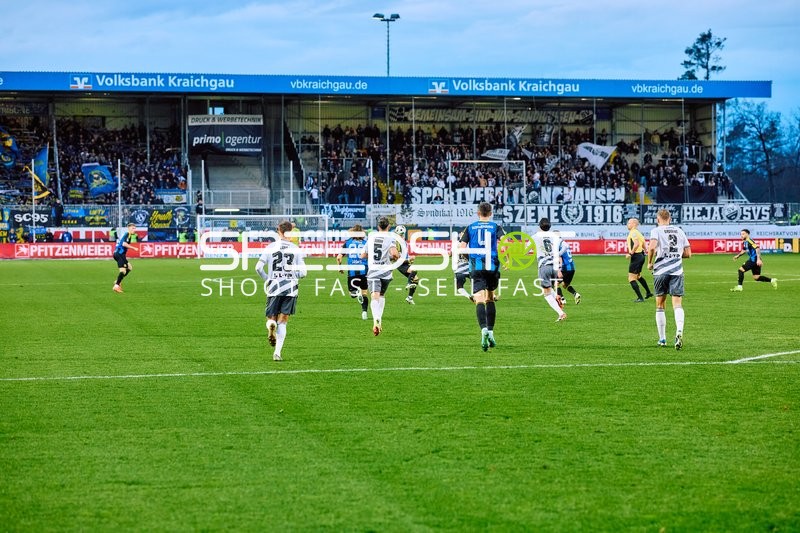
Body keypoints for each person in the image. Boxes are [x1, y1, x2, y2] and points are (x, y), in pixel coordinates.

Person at [256, 220, 307, 361]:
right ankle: (277, 353)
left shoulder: (271, 247)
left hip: (274, 287)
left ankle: (271, 325)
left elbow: (258, 268)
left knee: (271, 318)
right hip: (290, 289)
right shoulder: (295, 249)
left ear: (279, 231)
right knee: (283, 321)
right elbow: (303, 273)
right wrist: (293, 276)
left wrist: (268, 279)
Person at [459, 201, 505, 351]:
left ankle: (483, 329)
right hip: (492, 265)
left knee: (479, 298)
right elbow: (504, 244)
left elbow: (462, 248)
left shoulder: (470, 227)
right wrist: (507, 259)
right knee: (490, 297)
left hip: (476, 265)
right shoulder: (496, 227)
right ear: (491, 213)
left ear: (478, 213)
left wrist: (469, 259)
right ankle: (491, 332)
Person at [647, 208, 691, 349]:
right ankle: (679, 331)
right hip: (677, 271)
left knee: (660, 304)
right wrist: (676, 256)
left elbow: (652, 247)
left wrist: (649, 262)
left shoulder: (656, 230)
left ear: (658, 219)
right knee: (677, 304)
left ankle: (662, 339)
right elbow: (688, 253)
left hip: (660, 271)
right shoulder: (679, 231)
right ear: (670, 219)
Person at [363, 216, 400, 336]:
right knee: (382, 295)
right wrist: (396, 258)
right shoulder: (391, 237)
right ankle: (379, 319)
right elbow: (394, 254)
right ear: (388, 226)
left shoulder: (371, 237)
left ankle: (376, 320)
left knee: (374, 296)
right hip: (386, 272)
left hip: (374, 270)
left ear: (378, 226)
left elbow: (363, 255)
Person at [532, 218, 568, 323]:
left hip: (544, 266)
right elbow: (566, 246)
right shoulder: (554, 236)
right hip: (555, 266)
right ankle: (557, 297)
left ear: (539, 226)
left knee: (546, 293)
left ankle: (561, 313)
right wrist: (557, 254)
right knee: (549, 289)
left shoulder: (535, 236)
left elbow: (527, 248)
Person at [336, 224, 369, 320]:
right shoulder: (366, 242)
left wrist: (340, 267)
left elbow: (339, 257)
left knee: (352, 294)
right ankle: (364, 312)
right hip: (365, 271)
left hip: (352, 272)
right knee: (365, 293)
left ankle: (356, 293)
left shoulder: (348, 242)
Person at [625, 217, 654, 302]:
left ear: (634, 224)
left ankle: (640, 298)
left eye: (629, 223)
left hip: (636, 256)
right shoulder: (639, 233)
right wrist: (645, 251)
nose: (627, 224)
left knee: (631, 278)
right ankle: (648, 293)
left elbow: (637, 243)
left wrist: (631, 253)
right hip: (641, 256)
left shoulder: (633, 232)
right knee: (638, 276)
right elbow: (644, 244)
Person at [394, 225, 420, 304]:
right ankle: (409, 283)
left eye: (402, 234)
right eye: (400, 234)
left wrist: (409, 260)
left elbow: (405, 255)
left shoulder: (404, 242)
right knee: (414, 270)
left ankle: (410, 297)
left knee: (416, 279)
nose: (402, 236)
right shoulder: (396, 242)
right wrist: (409, 259)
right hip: (399, 264)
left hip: (404, 263)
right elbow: (397, 258)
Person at [555, 232, 581, 305]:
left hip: (565, 268)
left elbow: (559, 257)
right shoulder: (565, 243)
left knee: (555, 284)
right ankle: (575, 294)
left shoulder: (558, 245)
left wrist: (559, 269)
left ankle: (562, 299)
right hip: (572, 268)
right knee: (564, 285)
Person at [112, 223, 139, 293]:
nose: (134, 230)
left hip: (121, 254)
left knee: (129, 267)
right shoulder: (127, 234)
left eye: (135, 228)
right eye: (133, 228)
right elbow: (124, 244)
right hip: (119, 254)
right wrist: (134, 248)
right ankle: (116, 286)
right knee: (123, 271)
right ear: (129, 228)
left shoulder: (129, 235)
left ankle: (117, 281)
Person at [453, 229, 472, 300]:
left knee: (459, 287)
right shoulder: (469, 243)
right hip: (470, 268)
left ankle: (468, 296)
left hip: (459, 269)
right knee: (478, 284)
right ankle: (491, 296)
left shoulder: (456, 244)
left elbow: (450, 254)